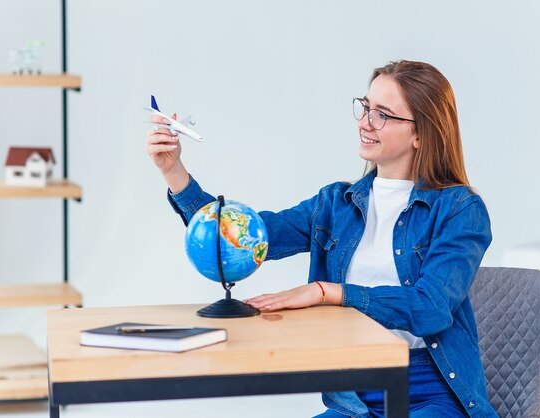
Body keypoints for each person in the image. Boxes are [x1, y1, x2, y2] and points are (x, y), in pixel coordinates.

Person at [146, 60, 496, 418]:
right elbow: (242, 235)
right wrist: (174, 172)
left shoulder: (459, 209)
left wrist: (327, 292)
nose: (364, 123)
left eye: (383, 115)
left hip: (430, 393)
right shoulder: (335, 205)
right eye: (365, 107)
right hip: (354, 399)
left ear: (421, 133)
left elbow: (431, 307)